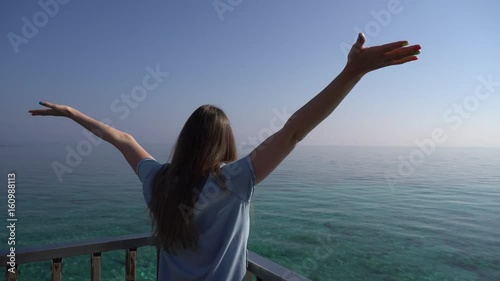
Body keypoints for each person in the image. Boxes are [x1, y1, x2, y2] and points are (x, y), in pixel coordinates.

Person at [29, 33, 421, 281]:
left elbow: (121, 137)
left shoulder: (158, 180)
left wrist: (71, 113)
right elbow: (294, 130)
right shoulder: (236, 180)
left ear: (185, 139)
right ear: (225, 143)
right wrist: (351, 73)